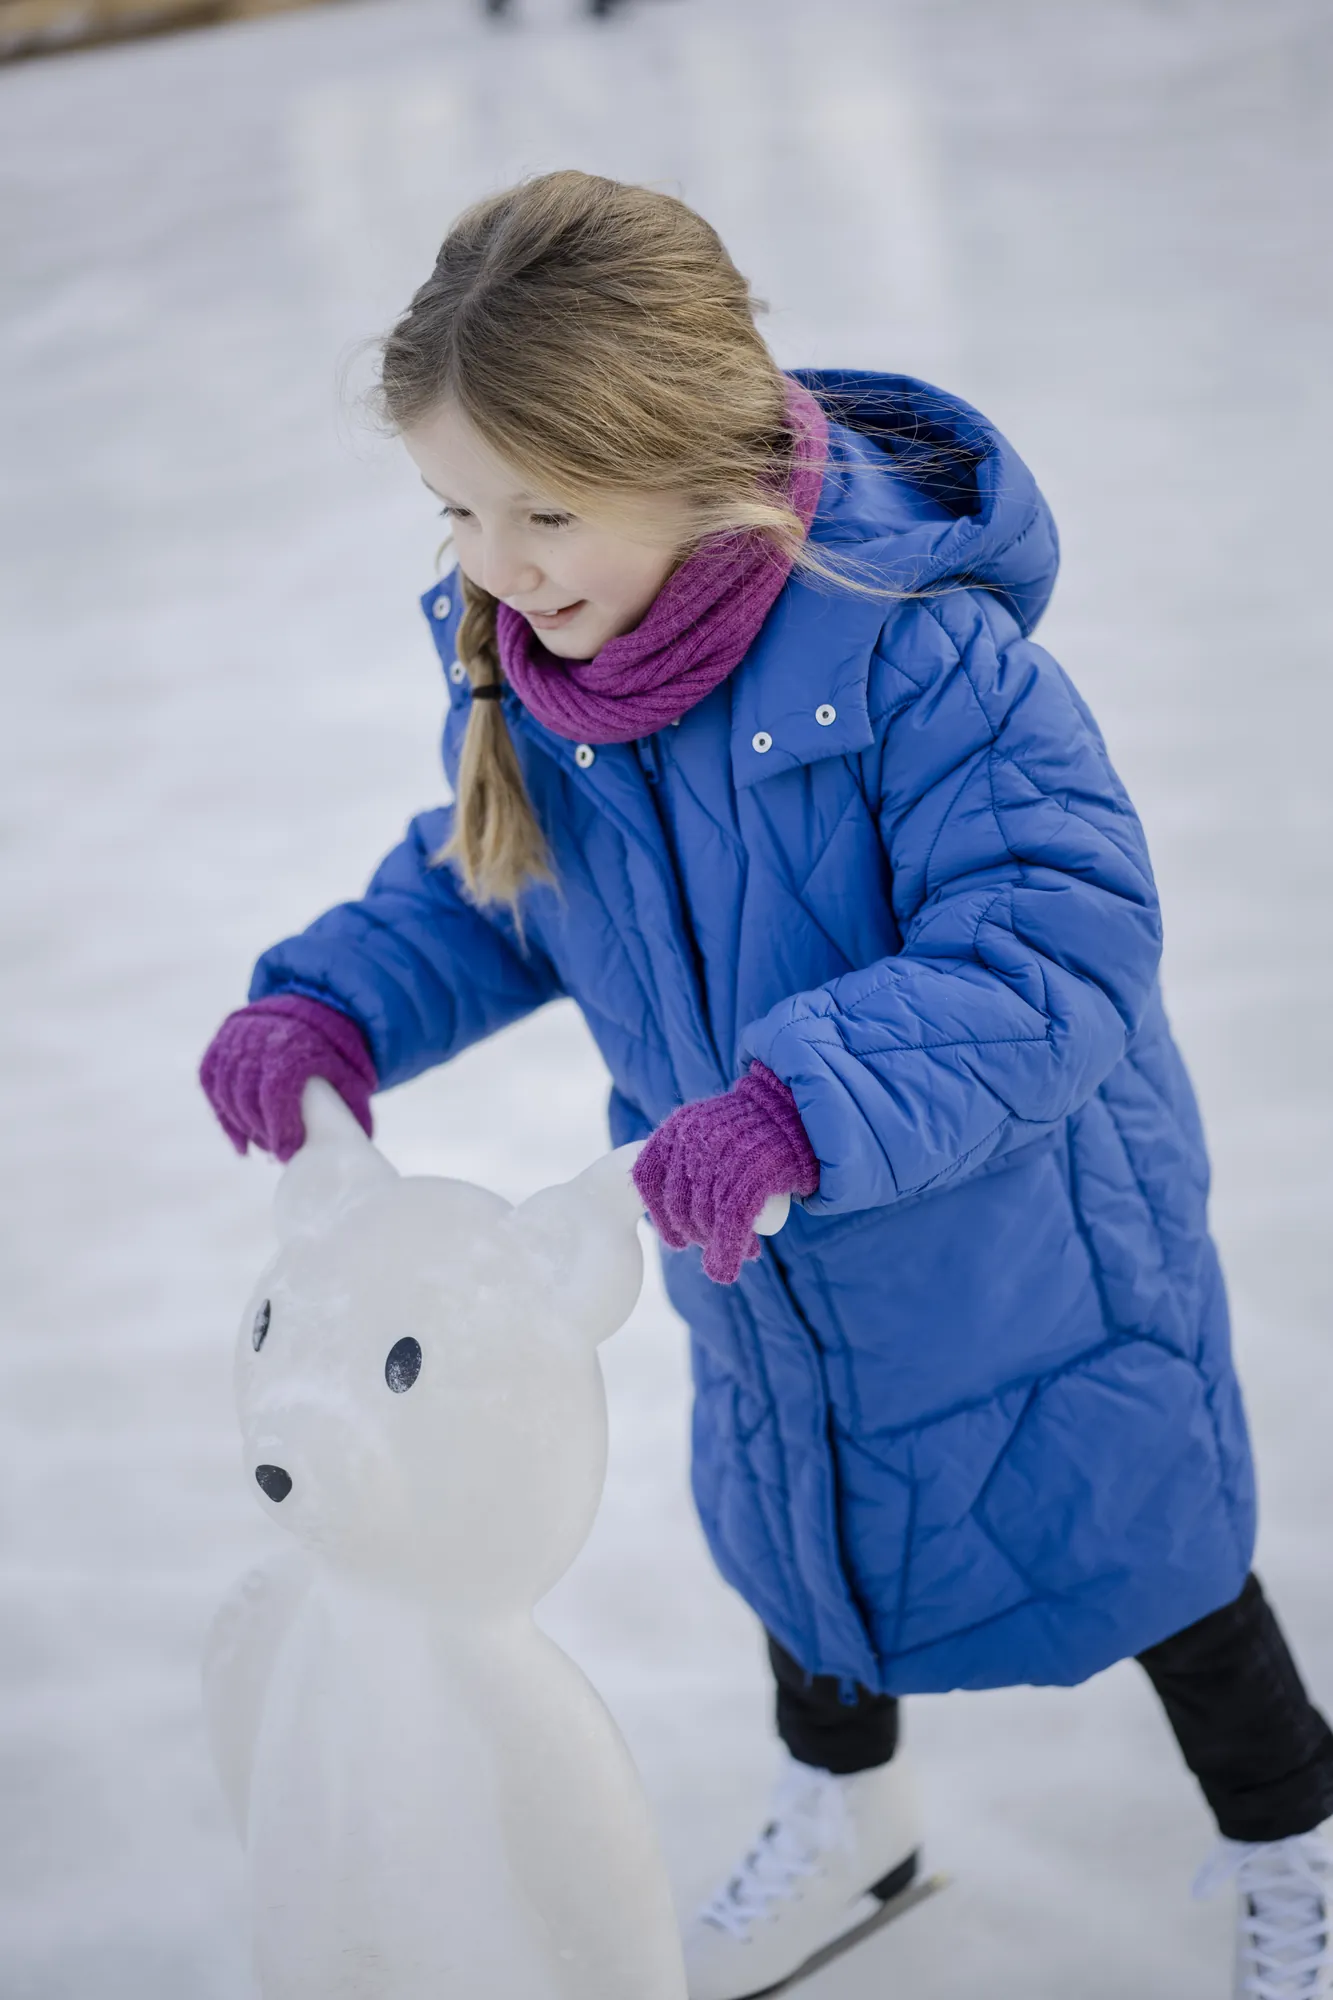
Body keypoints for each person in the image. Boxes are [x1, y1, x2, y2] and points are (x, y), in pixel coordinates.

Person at [199, 171, 1333, 1999]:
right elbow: (497, 886)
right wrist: (335, 999)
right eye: (457, 508)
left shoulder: (918, 656)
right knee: (805, 1546)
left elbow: (1053, 937)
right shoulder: (549, 679)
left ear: (685, 459)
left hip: (1021, 1247)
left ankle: (1297, 1839)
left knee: (1147, 1550)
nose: (495, 562)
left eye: (544, 509)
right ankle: (849, 1819)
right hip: (758, 1251)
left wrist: (801, 1104)